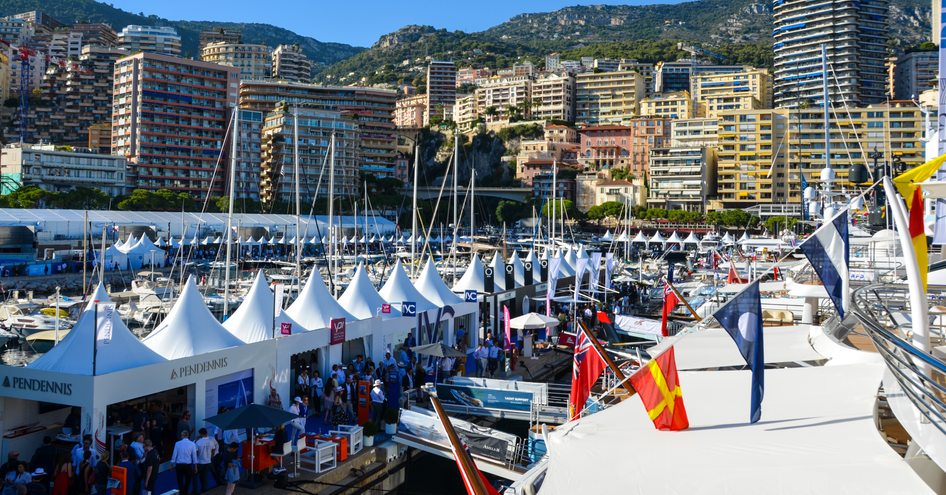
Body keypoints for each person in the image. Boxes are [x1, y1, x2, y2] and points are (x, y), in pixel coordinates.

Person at [170, 430, 197, 495]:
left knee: (180, 480)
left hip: (179, 465)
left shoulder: (177, 443)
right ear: (188, 436)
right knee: (188, 479)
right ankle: (185, 491)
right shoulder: (192, 444)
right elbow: (194, 456)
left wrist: (171, 464)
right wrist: (195, 466)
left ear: (182, 436)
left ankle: (182, 491)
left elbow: (174, 455)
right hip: (188, 465)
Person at [193, 429, 217, 494]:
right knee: (205, 477)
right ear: (206, 433)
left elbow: (195, 452)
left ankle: (195, 491)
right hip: (208, 461)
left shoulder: (198, 442)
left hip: (200, 462)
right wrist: (210, 457)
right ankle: (204, 491)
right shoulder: (211, 441)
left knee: (195, 477)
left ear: (201, 434)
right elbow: (213, 450)